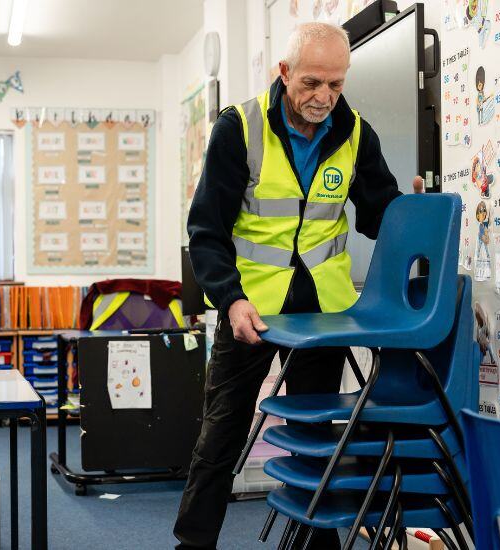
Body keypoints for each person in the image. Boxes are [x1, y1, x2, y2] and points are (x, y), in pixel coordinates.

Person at [175, 21, 424, 550]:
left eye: (336, 85)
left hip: (322, 312)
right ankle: (193, 544)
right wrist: (230, 299)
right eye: (312, 83)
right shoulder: (238, 128)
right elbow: (207, 231)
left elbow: (380, 213)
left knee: (315, 438)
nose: (324, 97)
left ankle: (318, 544)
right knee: (221, 434)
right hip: (251, 307)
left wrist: (414, 211)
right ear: (283, 72)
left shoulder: (354, 131)